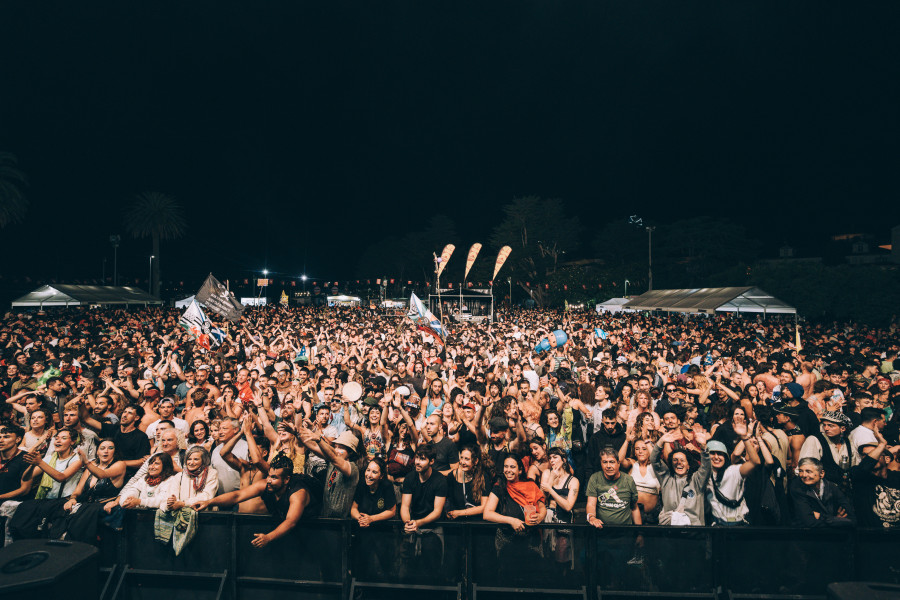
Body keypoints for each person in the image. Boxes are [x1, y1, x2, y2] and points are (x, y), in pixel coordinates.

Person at [194, 454, 322, 547]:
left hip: (313, 532)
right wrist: (209, 502)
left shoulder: (298, 493)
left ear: (287, 479)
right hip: (284, 531)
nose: (269, 481)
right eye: (269, 476)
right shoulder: (265, 484)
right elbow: (237, 496)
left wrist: (268, 537)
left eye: (274, 477)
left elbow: (291, 522)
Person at [483, 455, 547, 580]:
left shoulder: (530, 485)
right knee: (510, 577)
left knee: (531, 577)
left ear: (520, 470)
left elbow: (542, 506)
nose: (508, 470)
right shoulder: (499, 486)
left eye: (512, 467)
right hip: (507, 540)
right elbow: (487, 513)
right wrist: (511, 521)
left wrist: (541, 515)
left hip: (530, 539)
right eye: (506, 467)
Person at [399, 443, 448, 578]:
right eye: (417, 458)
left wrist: (418, 523)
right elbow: (404, 506)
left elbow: (437, 512)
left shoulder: (440, 480)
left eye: (422, 459)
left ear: (431, 461)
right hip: (413, 527)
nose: (417, 462)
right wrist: (408, 522)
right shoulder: (410, 478)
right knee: (407, 570)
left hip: (433, 529)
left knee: (432, 571)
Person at [350, 457, 397, 579]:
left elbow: (391, 512)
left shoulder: (386, 486)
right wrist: (360, 518)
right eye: (368, 470)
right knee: (362, 568)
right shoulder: (361, 484)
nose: (369, 475)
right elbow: (353, 509)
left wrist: (371, 519)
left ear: (381, 476)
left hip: (382, 534)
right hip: (364, 532)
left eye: (374, 472)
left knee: (384, 569)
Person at [297, 428, 360, 518]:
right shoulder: (332, 462)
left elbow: (334, 457)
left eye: (341, 448)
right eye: (336, 446)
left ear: (350, 452)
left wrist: (319, 439)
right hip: (326, 517)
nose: (337, 450)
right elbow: (313, 447)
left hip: (341, 522)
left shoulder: (352, 468)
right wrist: (296, 433)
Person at [706, 437, 760, 526]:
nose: (716, 457)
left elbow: (755, 462)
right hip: (717, 524)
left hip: (739, 523)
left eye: (720, 454)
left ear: (725, 457)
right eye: (712, 453)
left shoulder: (733, 471)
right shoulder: (703, 476)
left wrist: (745, 438)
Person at [540, 447, 579, 569]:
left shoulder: (573, 481)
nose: (552, 460)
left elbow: (568, 506)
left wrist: (550, 489)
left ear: (564, 460)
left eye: (555, 457)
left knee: (562, 553)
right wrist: (551, 478)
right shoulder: (547, 473)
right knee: (547, 553)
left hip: (564, 521)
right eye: (550, 457)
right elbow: (542, 498)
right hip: (548, 519)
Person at [789, 457, 856, 527]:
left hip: (831, 535)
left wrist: (820, 516)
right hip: (804, 534)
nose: (804, 475)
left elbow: (852, 520)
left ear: (821, 473)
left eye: (808, 471)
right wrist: (836, 520)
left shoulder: (832, 487)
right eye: (801, 471)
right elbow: (809, 522)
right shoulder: (797, 487)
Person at [445, 445, 487, 520]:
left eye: (467, 459)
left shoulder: (483, 477)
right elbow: (448, 500)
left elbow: (484, 507)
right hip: (458, 523)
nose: (462, 462)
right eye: (461, 458)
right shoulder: (453, 475)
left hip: (477, 522)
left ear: (476, 461)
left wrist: (459, 513)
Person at [0, 424, 32, 502]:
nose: (1, 440)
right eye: (0, 437)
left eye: (6, 437)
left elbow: (25, 490)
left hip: (15, 503)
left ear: (17, 439)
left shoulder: (26, 458)